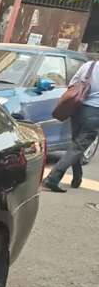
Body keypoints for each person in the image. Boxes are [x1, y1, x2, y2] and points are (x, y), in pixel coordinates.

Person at [42, 58, 99, 192]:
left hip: (78, 109)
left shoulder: (89, 65)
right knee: (79, 146)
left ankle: (77, 178)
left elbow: (72, 84)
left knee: (76, 144)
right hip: (95, 112)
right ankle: (53, 178)